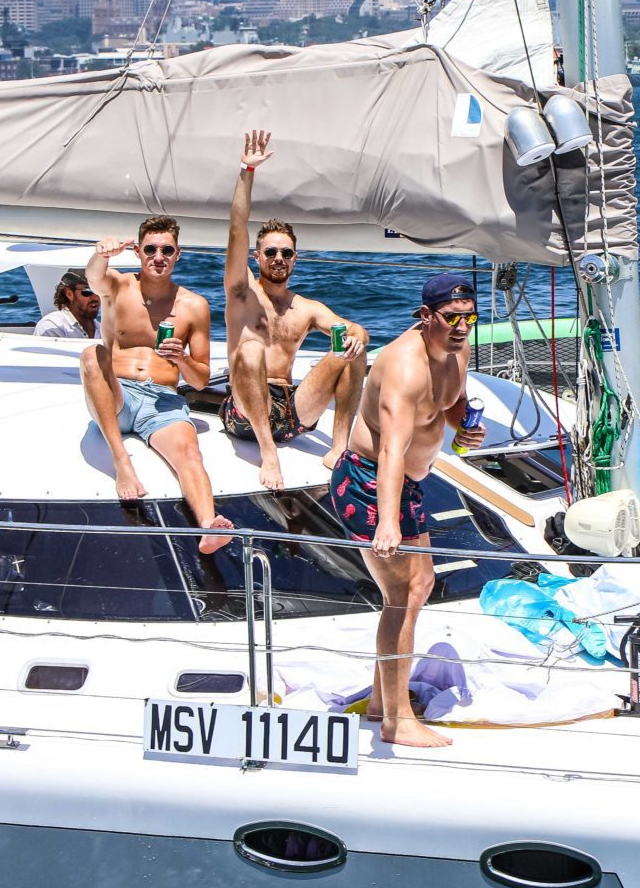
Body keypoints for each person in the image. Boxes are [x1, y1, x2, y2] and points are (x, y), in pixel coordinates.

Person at [330, 272, 487, 749]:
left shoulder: (456, 348)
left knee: (418, 586)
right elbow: (392, 451)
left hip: (408, 484)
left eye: (469, 317)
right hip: (369, 480)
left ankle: (383, 701)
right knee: (402, 590)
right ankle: (396, 721)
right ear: (425, 317)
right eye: (451, 318)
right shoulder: (403, 367)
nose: (461, 326)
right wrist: (389, 521)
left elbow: (450, 402)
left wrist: (465, 428)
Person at [223, 129, 371, 489]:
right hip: (244, 412)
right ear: (257, 256)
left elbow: (352, 328)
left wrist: (357, 337)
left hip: (292, 410)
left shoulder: (306, 308)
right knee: (250, 350)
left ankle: (339, 448)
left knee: (352, 347)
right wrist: (247, 170)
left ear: (295, 259)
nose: (277, 259)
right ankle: (268, 453)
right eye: (270, 252)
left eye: (285, 253)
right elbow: (237, 228)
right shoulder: (241, 291)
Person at [80, 217, 235, 554]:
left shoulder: (194, 306)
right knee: (92, 355)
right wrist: (101, 254)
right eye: (150, 249)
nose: (158, 256)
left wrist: (181, 359)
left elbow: (201, 379)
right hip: (117, 393)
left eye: (167, 250)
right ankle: (123, 464)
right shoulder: (118, 287)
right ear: (137, 251)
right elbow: (93, 276)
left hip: (163, 401)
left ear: (178, 254)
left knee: (190, 454)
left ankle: (209, 526)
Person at [33, 270, 99, 338]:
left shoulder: (103, 329)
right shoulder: (51, 326)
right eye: (87, 291)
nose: (96, 298)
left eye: (100, 290)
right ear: (69, 294)